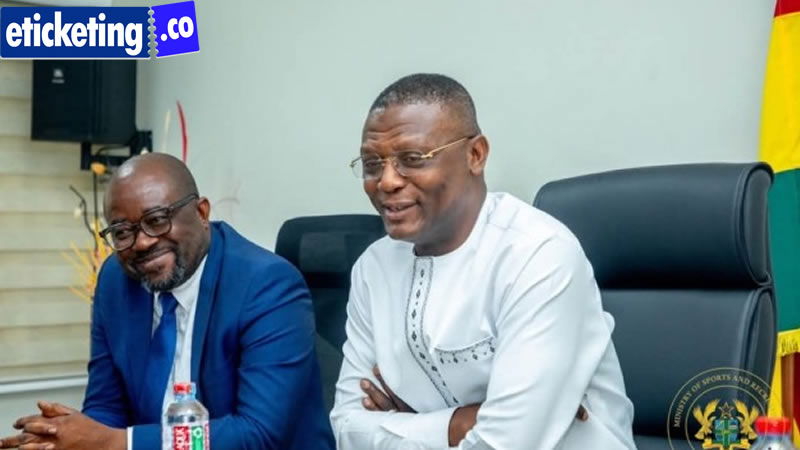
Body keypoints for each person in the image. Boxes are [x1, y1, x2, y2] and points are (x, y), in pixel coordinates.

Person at [330, 74, 636, 449]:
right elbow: (346, 428)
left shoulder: (537, 255)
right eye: (372, 163)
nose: (386, 181)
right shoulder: (373, 268)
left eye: (412, 159)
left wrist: (408, 424)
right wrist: (457, 424)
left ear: (475, 155)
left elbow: (506, 443)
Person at [0, 153, 335, 450]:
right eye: (122, 232)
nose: (142, 242)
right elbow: (107, 407)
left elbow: (258, 433)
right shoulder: (116, 280)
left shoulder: (266, 284)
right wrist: (70, 439)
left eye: (157, 220)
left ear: (201, 212)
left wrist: (119, 443)